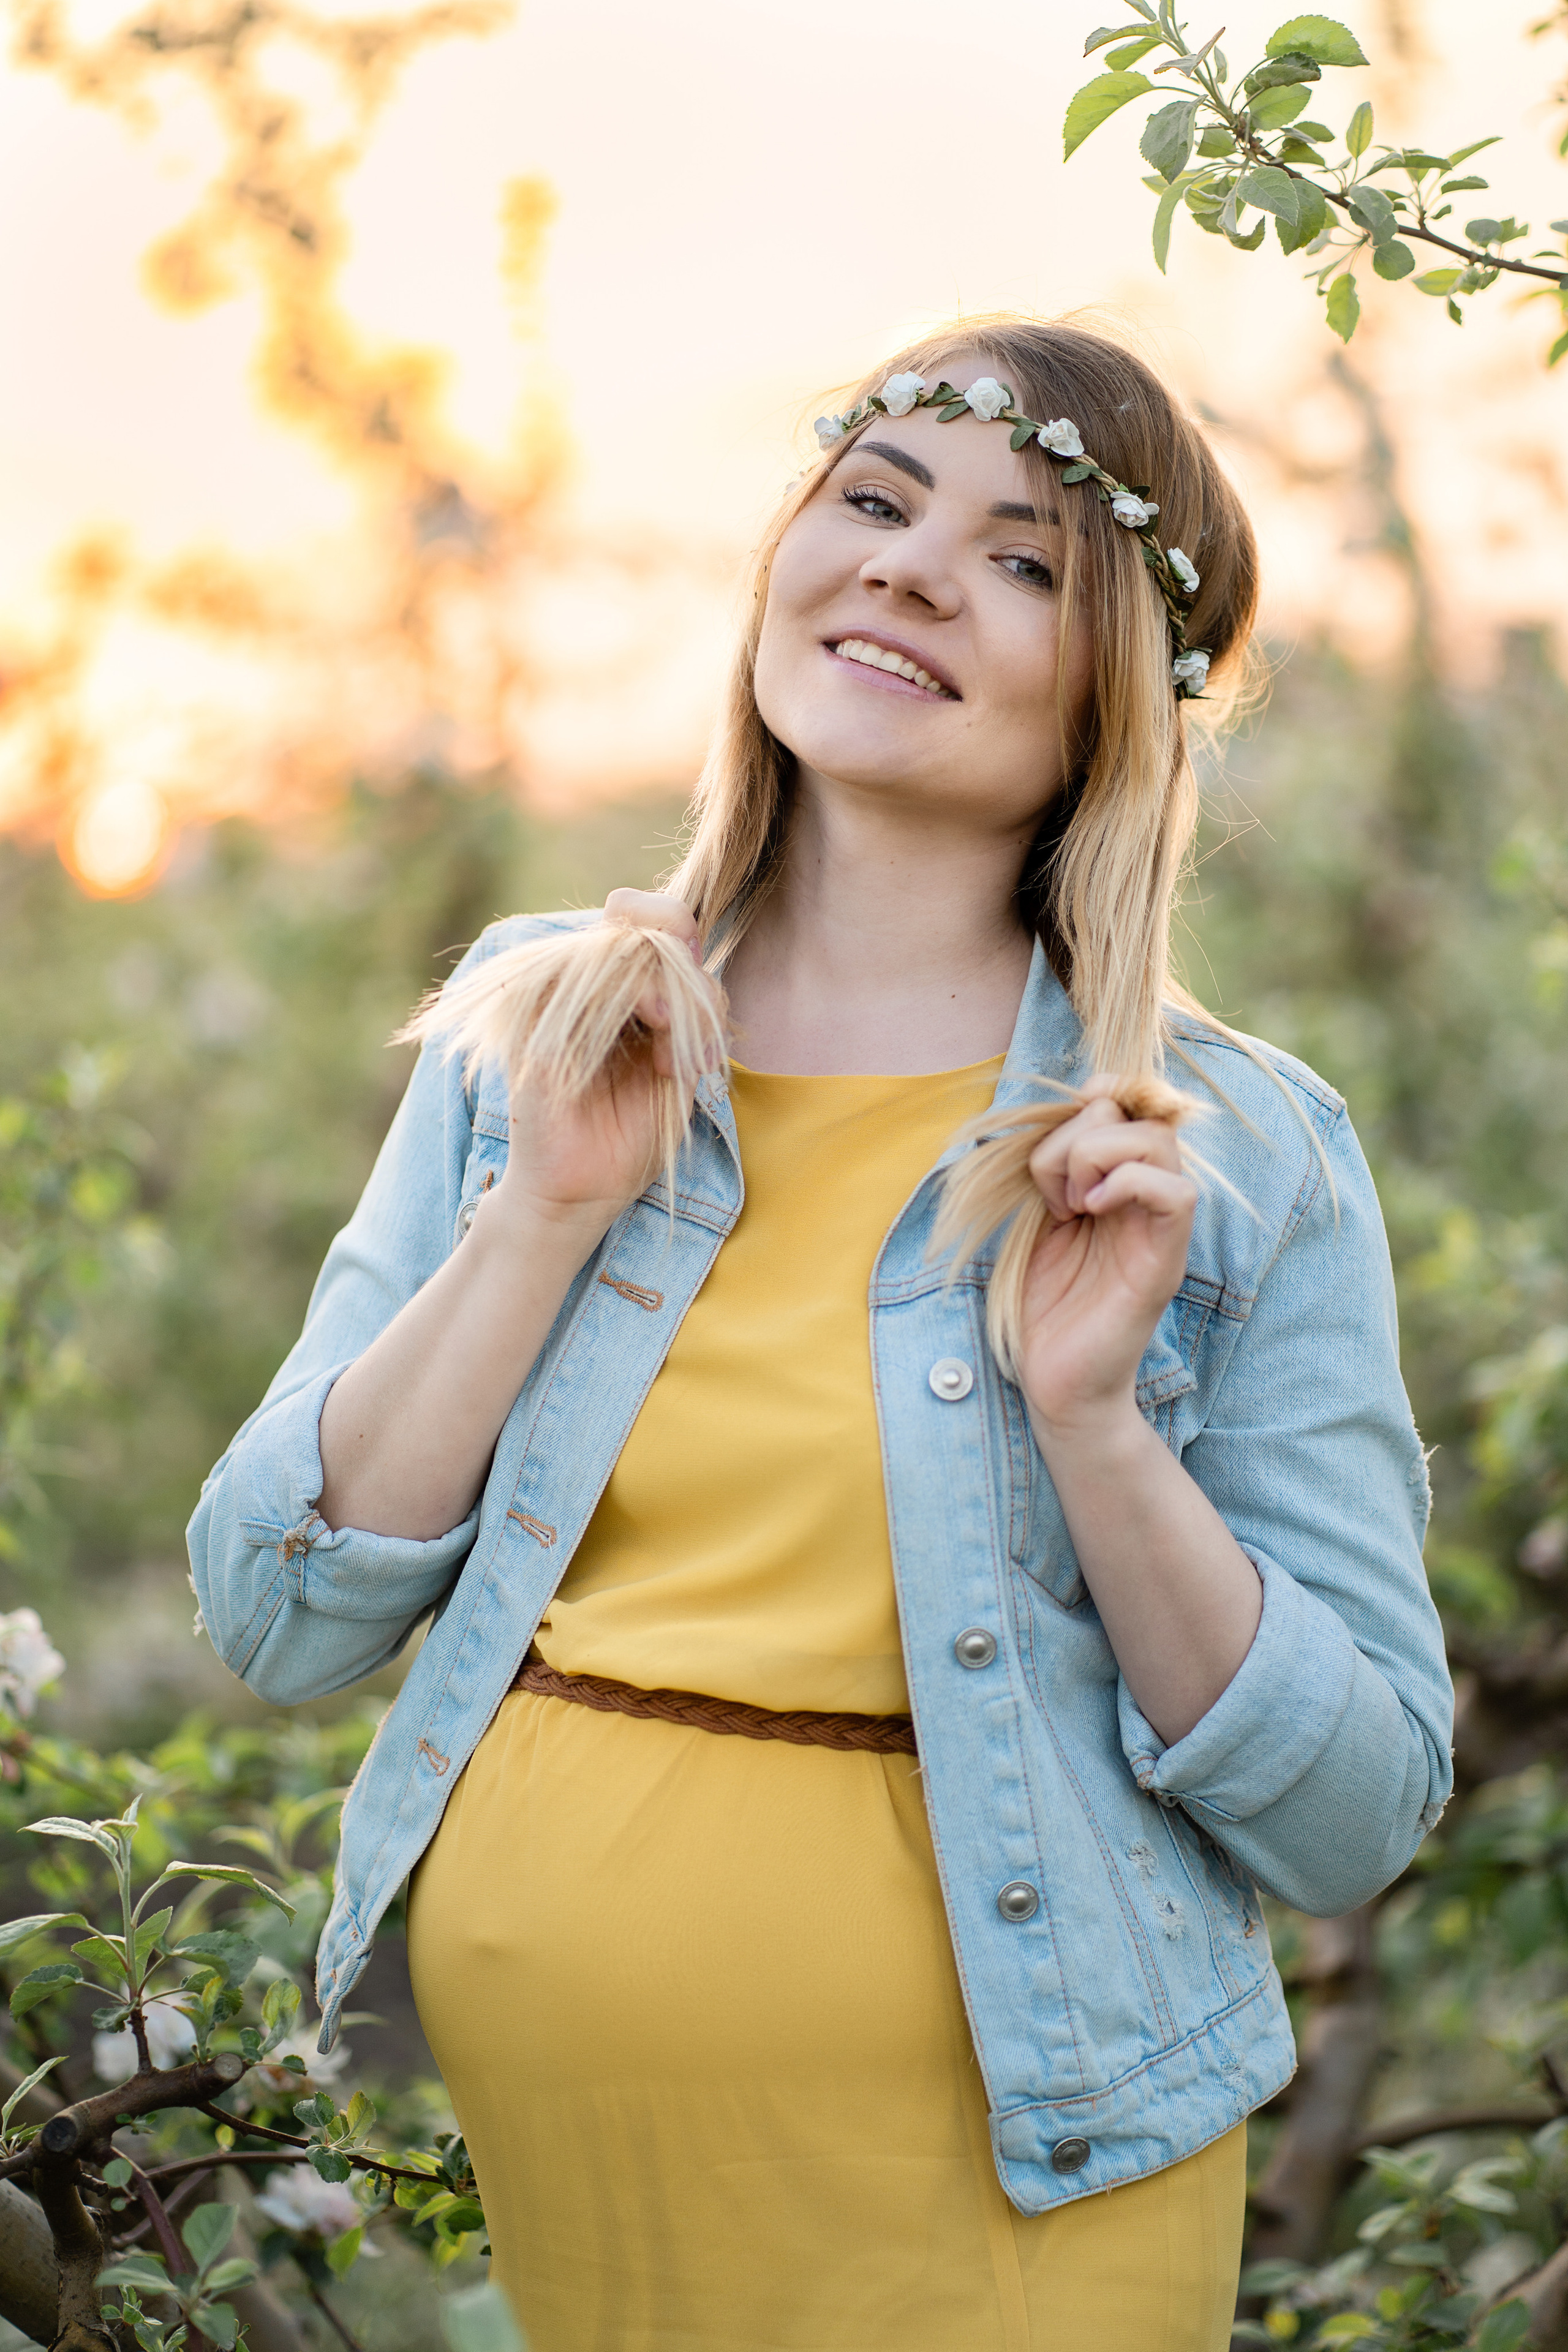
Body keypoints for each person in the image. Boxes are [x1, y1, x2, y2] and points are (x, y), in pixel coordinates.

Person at [189, 315, 1455, 2352]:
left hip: (1025, 2160)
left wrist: (1097, 1422)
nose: (909, 570)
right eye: (872, 504)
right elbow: (275, 1608)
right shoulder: (546, 1028)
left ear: (1111, 694)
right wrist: (544, 1213)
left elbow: (1352, 1813)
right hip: (576, 2159)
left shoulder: (1228, 1159)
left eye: (1026, 559)